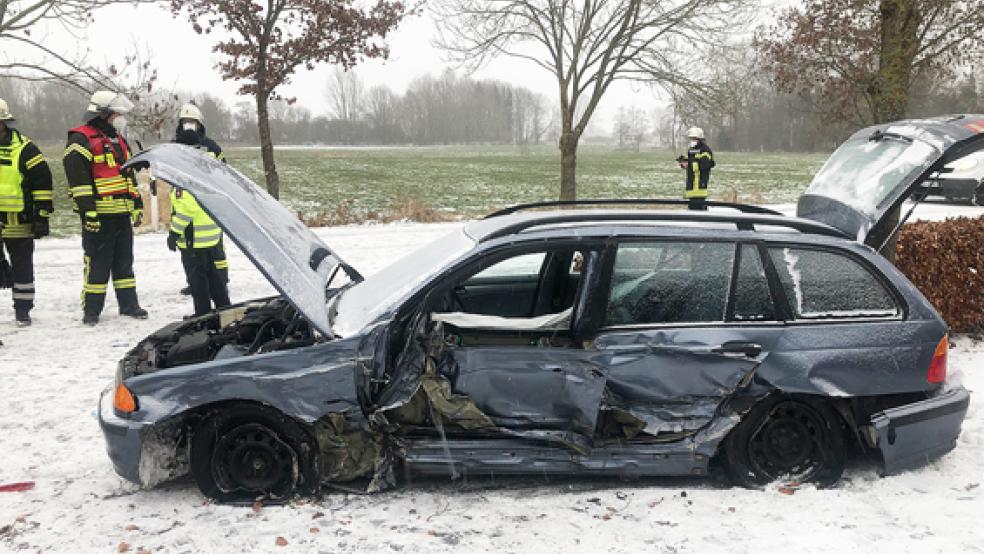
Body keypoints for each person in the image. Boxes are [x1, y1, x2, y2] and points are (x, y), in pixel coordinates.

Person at [63, 91, 148, 326]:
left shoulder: (117, 139)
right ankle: (92, 311)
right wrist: (88, 212)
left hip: (121, 213)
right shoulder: (80, 140)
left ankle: (129, 305)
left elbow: (127, 176)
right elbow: (79, 182)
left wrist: (136, 205)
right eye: (118, 114)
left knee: (124, 263)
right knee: (97, 265)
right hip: (98, 216)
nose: (121, 118)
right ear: (104, 114)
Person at [166, 125, 231, 316]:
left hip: (194, 242)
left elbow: (188, 207)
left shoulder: (186, 170)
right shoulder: (208, 165)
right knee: (217, 282)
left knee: (199, 286)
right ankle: (226, 315)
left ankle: (203, 318)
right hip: (212, 236)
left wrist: (174, 233)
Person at [0, 98, 54, 326]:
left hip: (19, 222)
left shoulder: (25, 149)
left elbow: (42, 181)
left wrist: (41, 215)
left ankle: (23, 309)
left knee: (22, 270)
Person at [678, 127, 715, 210]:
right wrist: (684, 161)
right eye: (691, 139)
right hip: (691, 186)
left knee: (700, 210)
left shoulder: (705, 150)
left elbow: (704, 165)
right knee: (692, 209)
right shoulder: (691, 150)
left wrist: (689, 164)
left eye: (694, 139)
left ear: (700, 139)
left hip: (700, 186)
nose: (692, 140)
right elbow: (692, 161)